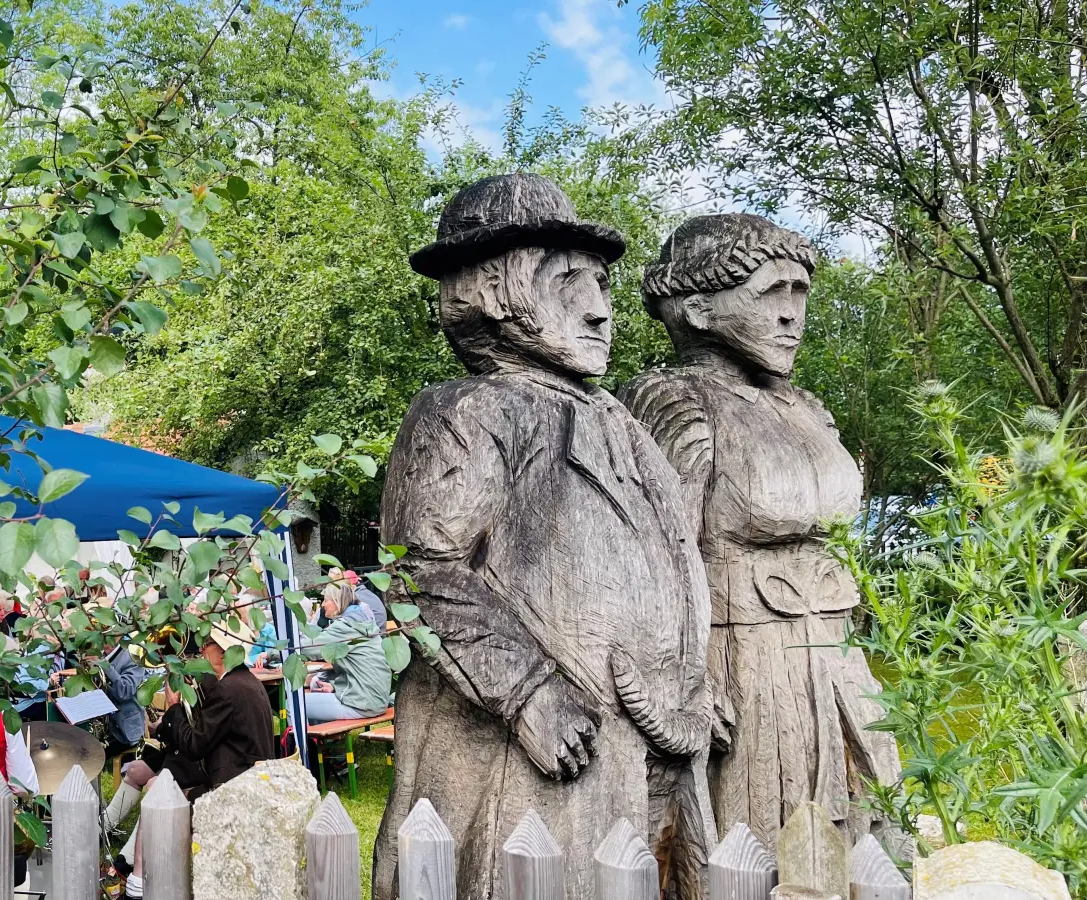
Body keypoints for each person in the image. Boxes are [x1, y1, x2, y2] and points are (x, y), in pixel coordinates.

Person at [373, 174, 714, 900]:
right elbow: (422, 572)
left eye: (602, 285)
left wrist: (691, 678)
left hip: (649, 739)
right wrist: (528, 693)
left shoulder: (618, 419)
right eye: (568, 283)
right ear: (494, 293)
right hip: (534, 756)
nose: (599, 309)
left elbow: (675, 555)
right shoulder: (469, 410)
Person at [619, 213, 901, 845]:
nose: (792, 315)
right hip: (745, 663)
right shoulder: (676, 401)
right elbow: (656, 564)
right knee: (759, 844)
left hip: (837, 653)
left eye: (800, 293)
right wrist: (683, 680)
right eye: (772, 292)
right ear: (699, 310)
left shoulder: (807, 409)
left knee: (871, 832)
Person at [116, 633, 275, 899]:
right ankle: (133, 869)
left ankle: (138, 882)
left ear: (223, 652)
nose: (201, 650)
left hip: (232, 788)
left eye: (207, 645)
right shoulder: (244, 682)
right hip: (243, 777)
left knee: (161, 792)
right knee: (161, 784)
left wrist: (174, 708)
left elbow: (193, 745)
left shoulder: (228, 689)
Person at [301, 578, 391, 723]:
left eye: (326, 600)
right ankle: (319, 737)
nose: (323, 605)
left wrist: (273, 653)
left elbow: (308, 649)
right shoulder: (361, 622)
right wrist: (335, 686)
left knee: (293, 704)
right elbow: (363, 670)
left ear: (337, 601)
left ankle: (301, 739)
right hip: (375, 699)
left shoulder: (345, 627)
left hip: (363, 703)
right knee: (317, 688)